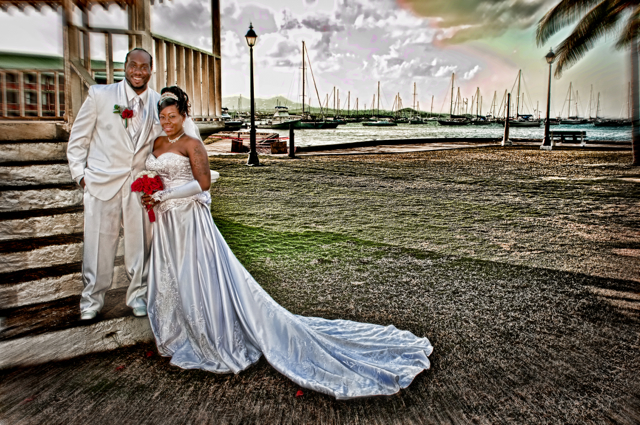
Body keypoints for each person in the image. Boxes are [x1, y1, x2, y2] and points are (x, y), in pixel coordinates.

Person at [142, 86, 433, 399]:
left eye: (172, 116)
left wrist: (165, 194)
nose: (167, 121)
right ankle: (181, 330)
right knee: (174, 276)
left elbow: (203, 182)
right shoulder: (158, 141)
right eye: (162, 117)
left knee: (196, 273)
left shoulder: (192, 142)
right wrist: (149, 190)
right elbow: (156, 170)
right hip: (166, 223)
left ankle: (211, 335)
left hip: (188, 220)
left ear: (183, 115)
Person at [67, 48, 163, 320]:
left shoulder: (159, 103)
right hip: (101, 182)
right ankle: (91, 301)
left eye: (144, 67)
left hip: (139, 185)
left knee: (140, 244)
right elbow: (78, 140)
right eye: (133, 65)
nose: (138, 71)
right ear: (125, 66)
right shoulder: (100, 95)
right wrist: (81, 176)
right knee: (97, 245)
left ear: (151, 69)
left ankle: (138, 295)